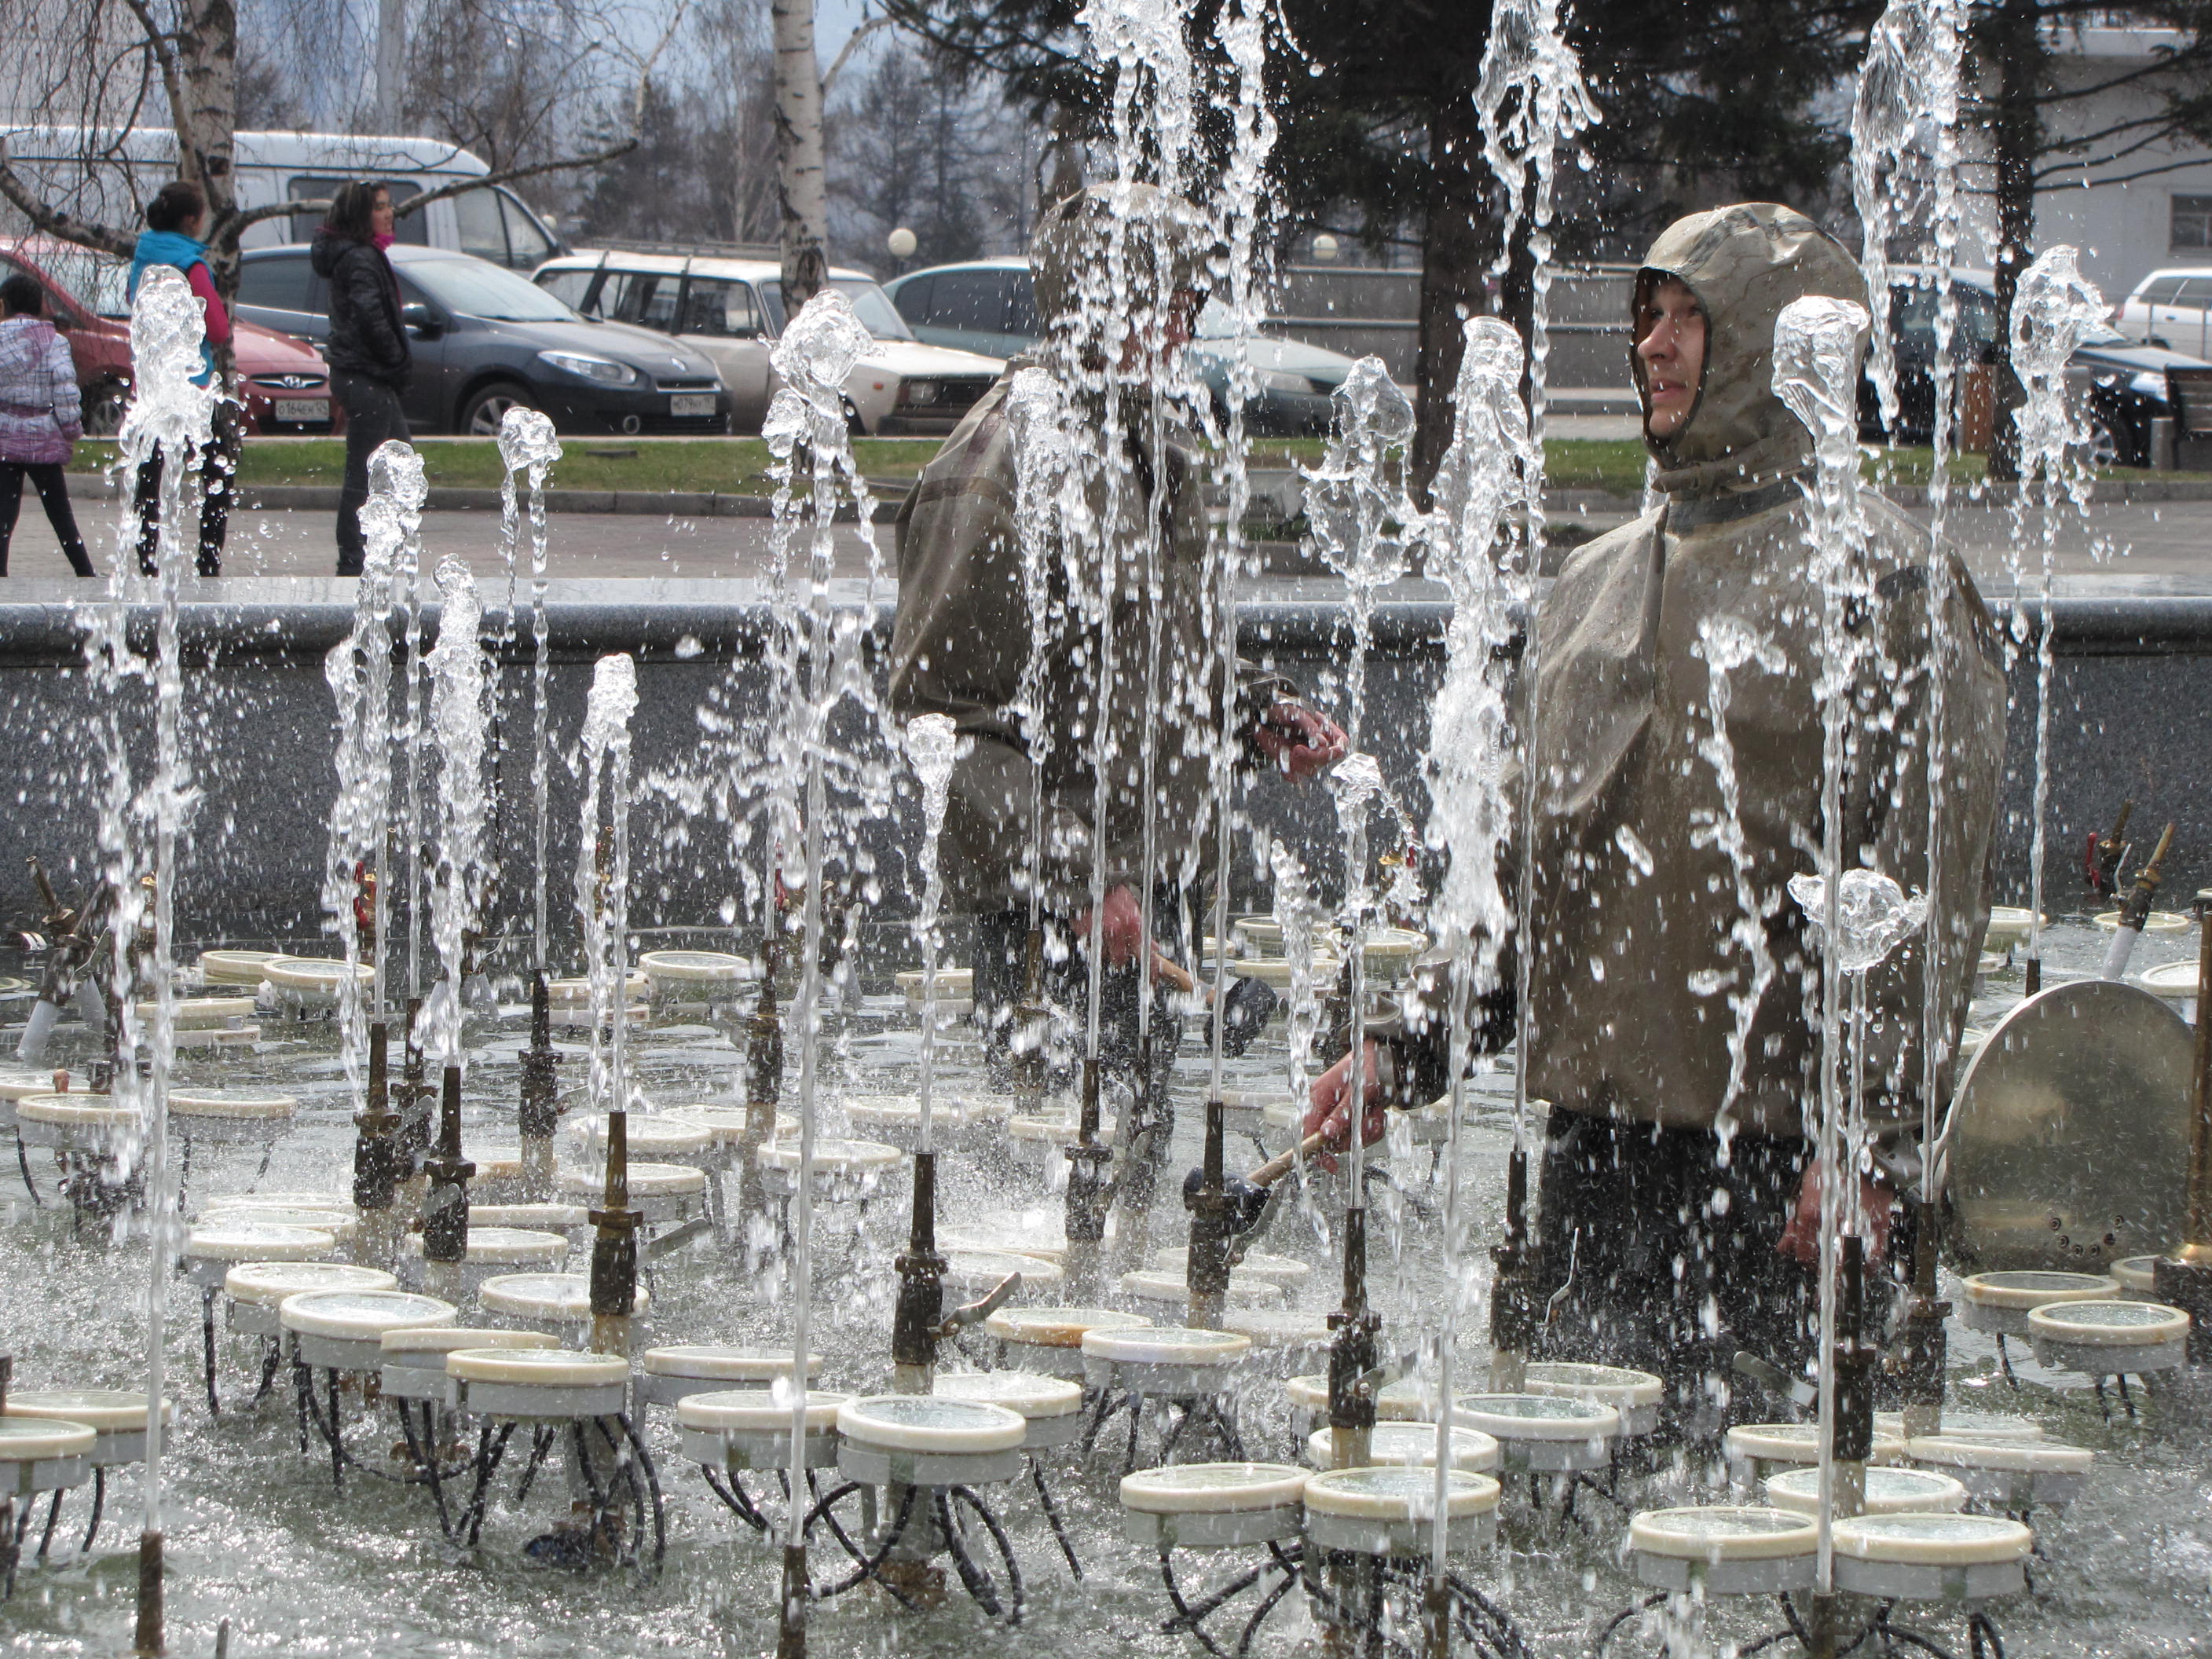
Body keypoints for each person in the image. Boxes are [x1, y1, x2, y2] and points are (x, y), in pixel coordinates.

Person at [1304, 203, 2009, 1440]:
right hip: (1594, 1156)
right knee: (1587, 1517)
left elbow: (1925, 901)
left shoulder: (1892, 584)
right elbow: (1513, 874)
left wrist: (1871, 1145)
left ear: (1778, 348)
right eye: (1649, 317)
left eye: (1694, 319)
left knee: (1766, 1540)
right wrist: (1398, 1045)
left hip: (1786, 1177)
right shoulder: (1589, 583)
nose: (1656, 348)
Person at [890, 183, 1346, 1091]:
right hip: (1049, 911)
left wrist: (1256, 707)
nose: (1178, 335)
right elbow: (940, 716)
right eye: (1160, 308)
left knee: (1131, 1177)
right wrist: (1076, 878)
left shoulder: (1156, 450)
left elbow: (1158, 654)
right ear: (1092, 299)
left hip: (1145, 888)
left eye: (1186, 310)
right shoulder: (1006, 462)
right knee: (1044, 1186)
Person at [128, 179, 235, 576]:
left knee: (148, 477)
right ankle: (208, 560)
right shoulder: (192, 266)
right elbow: (219, 331)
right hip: (192, 389)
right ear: (191, 220)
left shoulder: (144, 257)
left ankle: (145, 562)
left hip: (152, 387)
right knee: (217, 473)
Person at [313, 181, 412, 577]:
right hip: (365, 376)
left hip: (366, 376)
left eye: (390, 206)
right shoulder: (359, 258)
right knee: (366, 473)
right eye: (382, 207)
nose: (390, 214)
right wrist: (396, 358)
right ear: (360, 216)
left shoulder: (361, 255)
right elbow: (370, 316)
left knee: (400, 463)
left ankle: (381, 552)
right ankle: (354, 562)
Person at [0, 273, 94, 577]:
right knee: (60, 514)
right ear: (41, 305)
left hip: (4, 437)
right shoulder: (56, 342)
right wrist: (71, 429)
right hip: (44, 437)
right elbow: (65, 390)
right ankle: (85, 573)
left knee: (3, 515)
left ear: (4, 305)